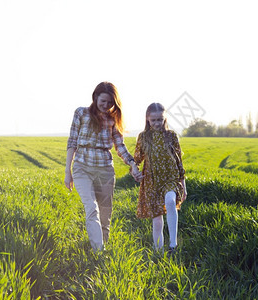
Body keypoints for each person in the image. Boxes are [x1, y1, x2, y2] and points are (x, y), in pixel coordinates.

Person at [64, 82, 142, 252]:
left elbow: (120, 146)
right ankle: (99, 253)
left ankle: (102, 247)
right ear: (96, 97)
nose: (106, 105)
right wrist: (67, 172)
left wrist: (133, 165)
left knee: (105, 215)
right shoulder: (81, 113)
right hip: (82, 168)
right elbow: (72, 142)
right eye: (103, 101)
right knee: (91, 208)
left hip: (105, 170)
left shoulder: (112, 119)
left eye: (110, 103)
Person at [133, 102, 187, 254]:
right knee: (157, 221)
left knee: (170, 202)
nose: (157, 123)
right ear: (147, 119)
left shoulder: (171, 136)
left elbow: (179, 162)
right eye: (153, 120)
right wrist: (134, 170)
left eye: (160, 119)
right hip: (151, 182)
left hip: (171, 178)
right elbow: (136, 159)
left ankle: (173, 245)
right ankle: (158, 252)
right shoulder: (143, 137)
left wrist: (184, 186)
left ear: (165, 118)